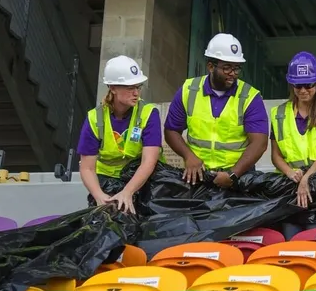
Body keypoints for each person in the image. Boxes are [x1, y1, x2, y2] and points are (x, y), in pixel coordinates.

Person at [163, 33, 269, 188]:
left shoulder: (250, 97)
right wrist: (189, 157)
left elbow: (259, 143)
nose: (233, 73)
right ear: (211, 66)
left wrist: (233, 174)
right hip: (198, 176)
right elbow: (171, 130)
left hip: (237, 179)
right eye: (227, 68)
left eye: (237, 68)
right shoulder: (189, 90)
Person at [270, 52, 316, 239]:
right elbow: (276, 156)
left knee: (314, 243)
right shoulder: (278, 114)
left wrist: (307, 178)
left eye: (308, 85)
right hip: (290, 189)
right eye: (298, 85)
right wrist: (289, 172)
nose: (303, 90)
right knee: (290, 243)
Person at [78, 56, 163, 214]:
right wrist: (99, 196)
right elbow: (87, 168)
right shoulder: (94, 118)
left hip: (142, 180)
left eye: (138, 87)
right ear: (112, 88)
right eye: (130, 87)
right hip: (105, 181)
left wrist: (127, 192)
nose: (136, 93)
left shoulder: (148, 113)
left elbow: (149, 161)